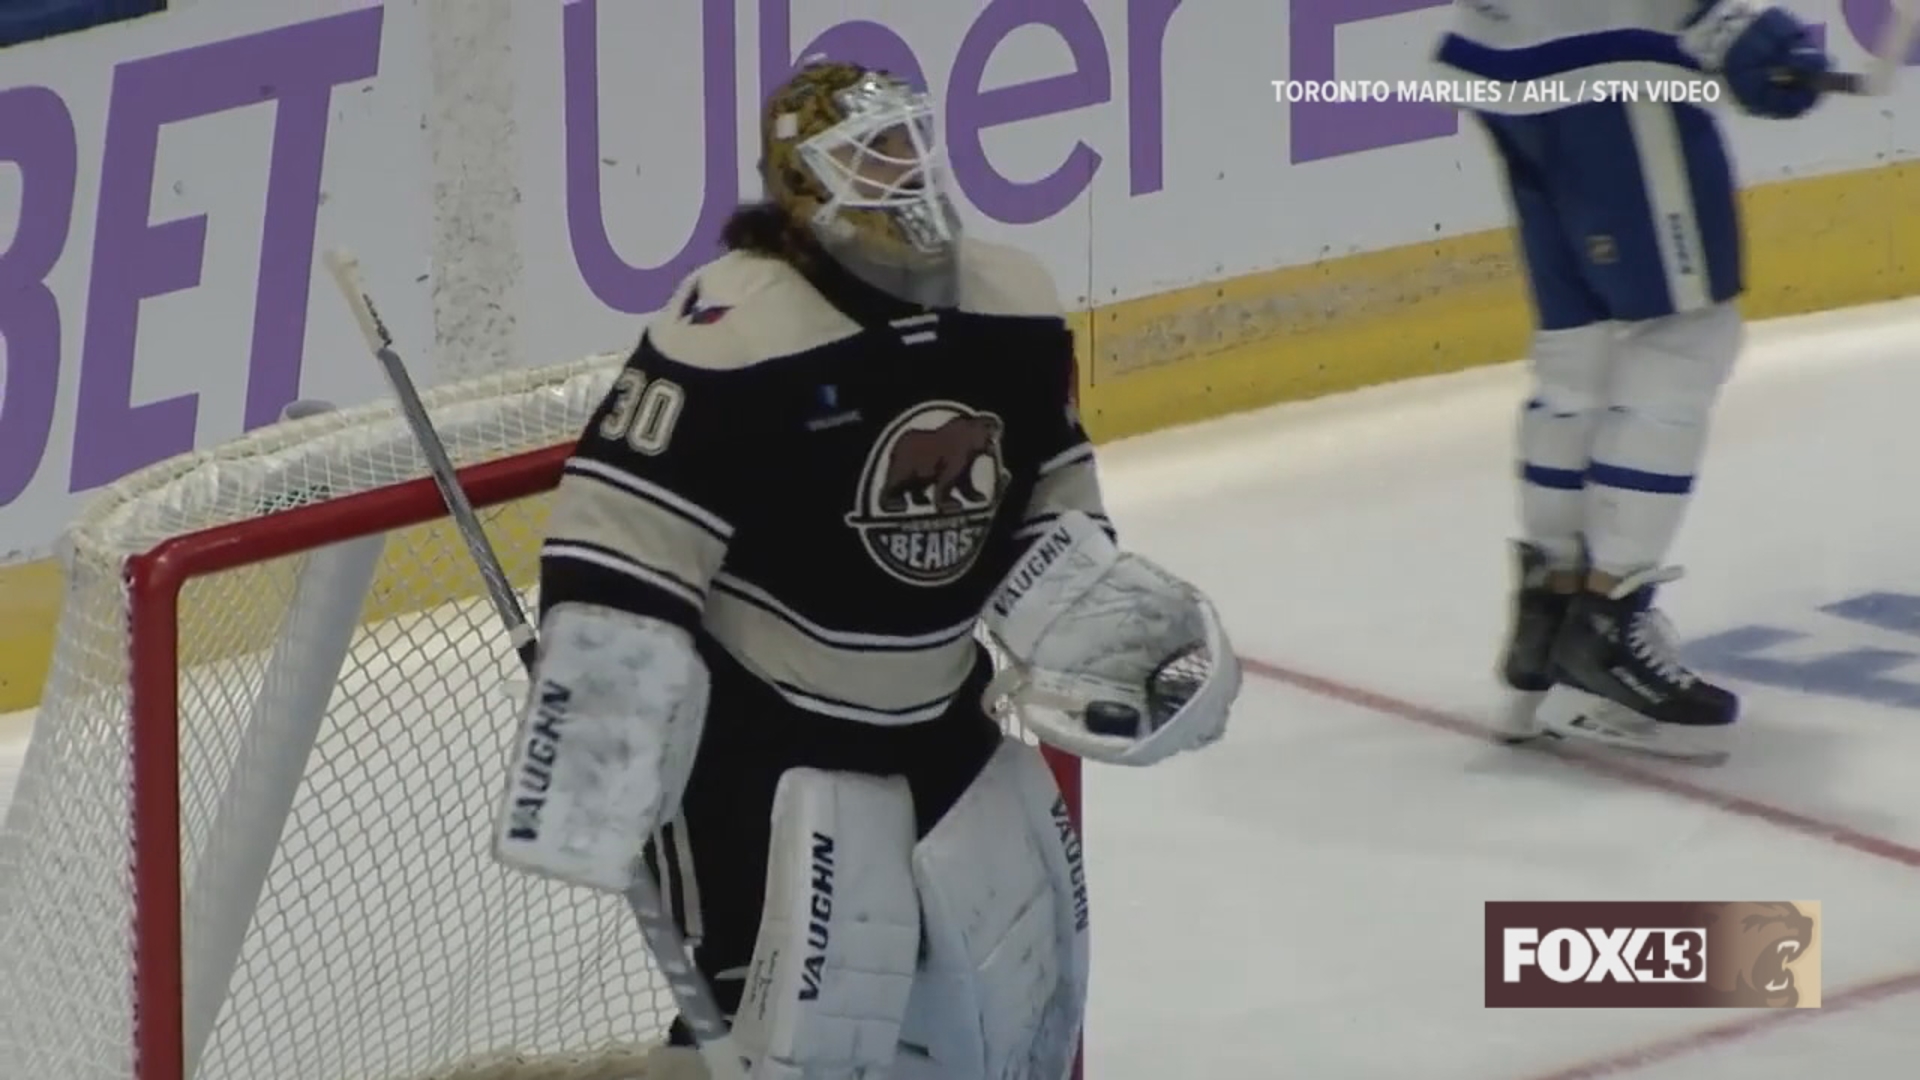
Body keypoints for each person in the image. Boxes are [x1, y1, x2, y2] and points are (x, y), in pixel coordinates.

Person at [486, 59, 1242, 1079]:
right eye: (871, 153)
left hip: (940, 717)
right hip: (763, 740)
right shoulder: (736, 328)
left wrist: (1102, 627)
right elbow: (619, 535)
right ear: (807, 185)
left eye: (911, 142)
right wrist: (609, 707)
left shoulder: (1007, 307)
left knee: (1004, 1020)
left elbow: (1045, 505)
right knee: (784, 1045)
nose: (905, 169)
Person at [1431, 2, 1832, 754]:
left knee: (1577, 353)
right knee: (1683, 337)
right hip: (1612, 64)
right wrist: (1717, 18)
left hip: (1504, 55)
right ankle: (1607, 629)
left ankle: (1550, 624)